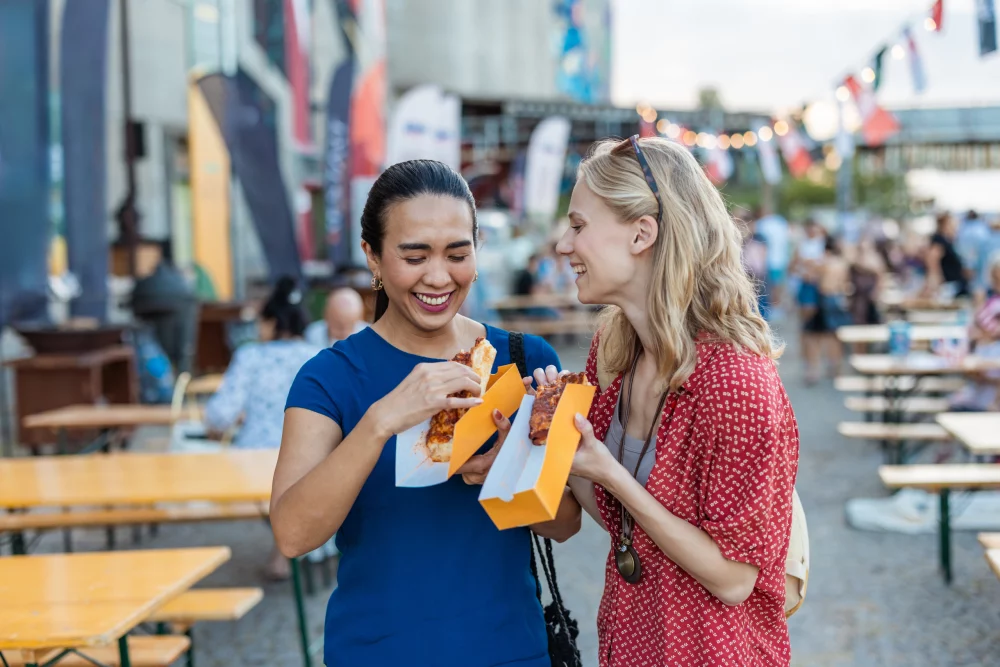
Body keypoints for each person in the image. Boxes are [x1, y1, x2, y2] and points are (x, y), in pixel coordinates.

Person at [270, 160, 580, 667]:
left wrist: (507, 470)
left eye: (458, 254)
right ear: (372, 257)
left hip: (510, 650)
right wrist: (382, 420)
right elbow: (293, 534)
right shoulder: (329, 377)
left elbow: (566, 525)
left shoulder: (525, 359)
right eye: (414, 256)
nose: (438, 276)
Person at [545, 136, 798, 666]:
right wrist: (551, 440)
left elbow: (733, 580)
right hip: (630, 643)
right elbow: (619, 523)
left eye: (579, 225)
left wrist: (609, 474)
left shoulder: (735, 381)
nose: (564, 245)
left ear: (642, 232)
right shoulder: (613, 351)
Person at [204, 275, 320, 579]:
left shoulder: (250, 356)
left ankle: (286, 546)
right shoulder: (318, 356)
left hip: (253, 460)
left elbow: (220, 414)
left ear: (271, 322)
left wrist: (221, 422)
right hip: (310, 458)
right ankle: (291, 547)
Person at [802, 236, 852, 383]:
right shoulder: (842, 264)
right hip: (838, 298)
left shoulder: (824, 263)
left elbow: (808, 275)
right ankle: (835, 368)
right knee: (835, 337)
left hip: (823, 300)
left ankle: (813, 370)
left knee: (813, 336)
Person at [925, 212, 969, 298]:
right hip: (948, 285)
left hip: (953, 283)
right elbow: (932, 260)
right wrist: (936, 279)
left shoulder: (948, 240)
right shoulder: (939, 240)